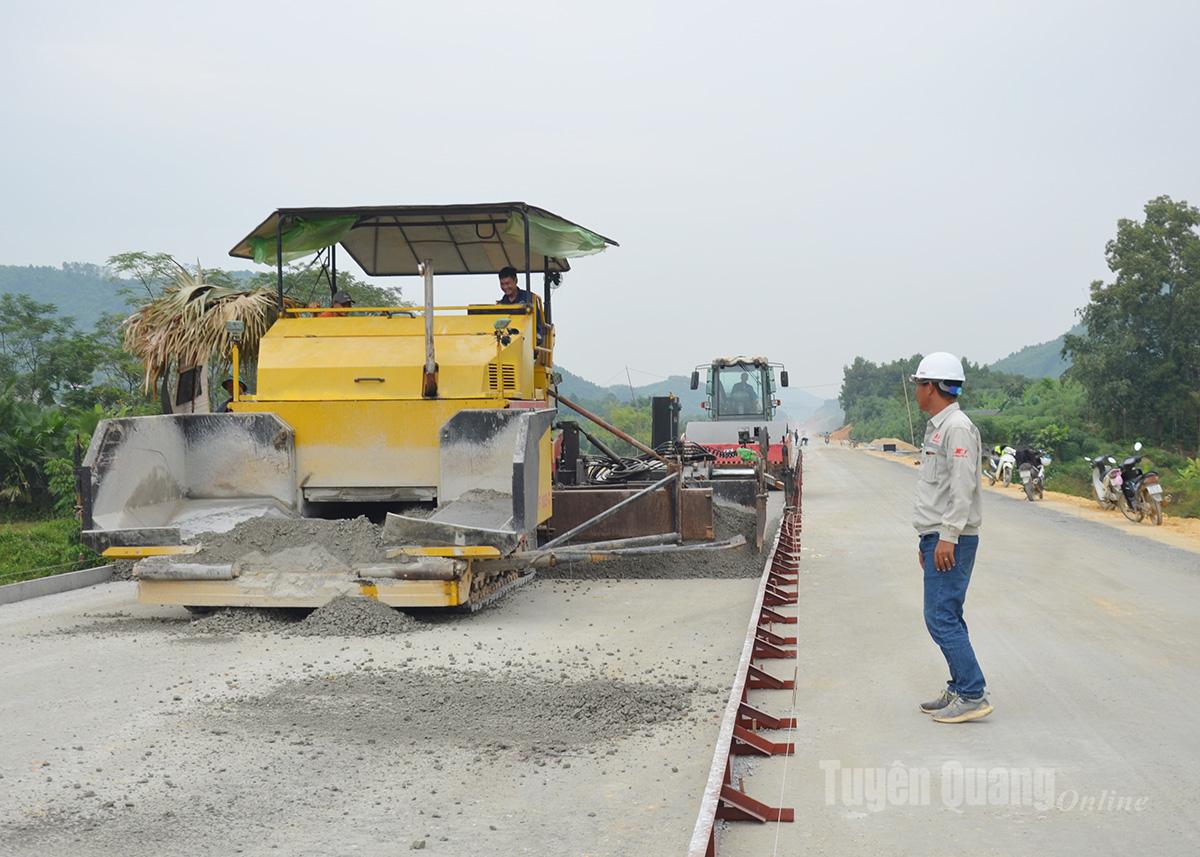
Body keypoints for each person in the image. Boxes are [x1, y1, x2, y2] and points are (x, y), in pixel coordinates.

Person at [910, 352, 991, 723]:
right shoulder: (940, 427)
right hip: (938, 536)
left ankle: (972, 692)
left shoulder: (956, 427)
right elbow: (938, 492)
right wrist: (928, 538)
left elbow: (962, 487)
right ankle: (960, 687)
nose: (916, 391)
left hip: (951, 538)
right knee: (947, 615)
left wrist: (948, 537)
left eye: (919, 384)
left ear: (933, 387)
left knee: (940, 617)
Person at [496, 266, 545, 344]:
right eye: (502, 284)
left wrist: (537, 336)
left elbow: (536, 322)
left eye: (508, 283)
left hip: (528, 339)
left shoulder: (529, 298)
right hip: (508, 340)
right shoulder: (501, 303)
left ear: (515, 281)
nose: (505, 287)